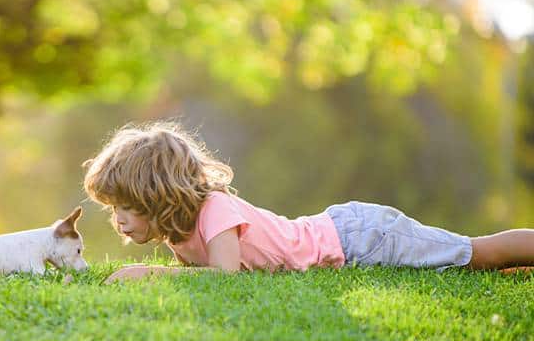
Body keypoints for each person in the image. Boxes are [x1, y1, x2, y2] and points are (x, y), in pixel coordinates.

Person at [82, 121, 534, 283]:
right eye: (113, 209)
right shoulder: (178, 232)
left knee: (475, 253)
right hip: (348, 233)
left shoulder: (215, 212)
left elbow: (224, 279)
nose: (117, 220)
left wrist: (151, 276)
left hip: (361, 237)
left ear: (158, 196)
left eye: (126, 207)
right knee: (466, 264)